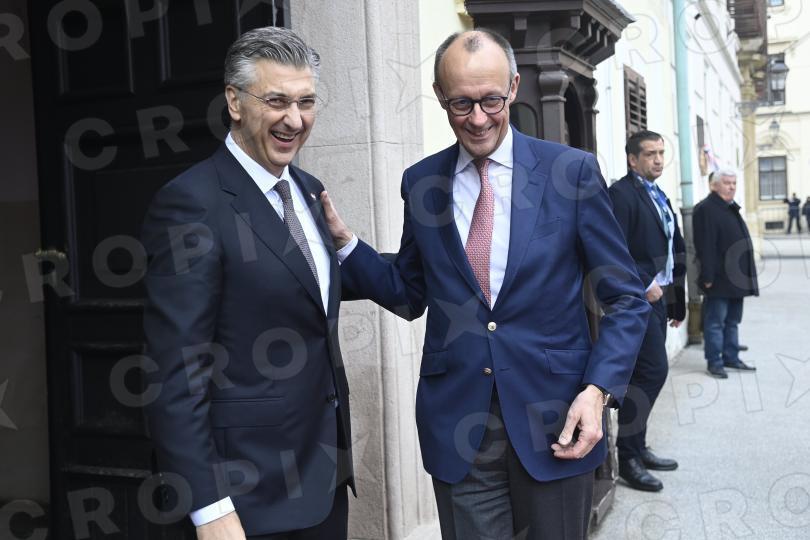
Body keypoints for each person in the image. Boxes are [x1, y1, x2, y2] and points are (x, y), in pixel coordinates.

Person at [322, 29, 649, 540]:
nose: (477, 119)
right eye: (461, 103)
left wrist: (598, 391)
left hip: (557, 416)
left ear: (514, 87)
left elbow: (626, 298)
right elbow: (410, 292)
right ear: (439, 96)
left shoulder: (572, 172)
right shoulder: (421, 182)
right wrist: (346, 245)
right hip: (460, 427)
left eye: (491, 100)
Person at [141, 27, 353, 540]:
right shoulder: (190, 204)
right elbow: (175, 374)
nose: (294, 119)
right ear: (234, 102)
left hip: (323, 485)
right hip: (244, 501)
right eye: (276, 101)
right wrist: (209, 507)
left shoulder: (308, 191)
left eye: (306, 102)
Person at [608, 131, 686, 492]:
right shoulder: (621, 194)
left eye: (661, 153)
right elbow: (613, 247)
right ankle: (627, 458)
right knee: (652, 372)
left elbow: (673, 248)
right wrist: (642, 282)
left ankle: (637, 447)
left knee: (647, 374)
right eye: (650, 153)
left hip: (659, 299)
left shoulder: (658, 194)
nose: (658, 159)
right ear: (632, 159)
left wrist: (675, 299)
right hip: (636, 300)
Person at [693, 169, 759, 379]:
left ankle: (731, 356)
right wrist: (707, 276)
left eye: (734, 183)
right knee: (715, 322)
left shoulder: (729, 206)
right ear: (714, 185)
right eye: (727, 183)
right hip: (718, 278)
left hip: (736, 277)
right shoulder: (706, 209)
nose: (732, 187)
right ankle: (715, 362)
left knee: (732, 320)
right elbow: (705, 245)